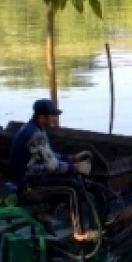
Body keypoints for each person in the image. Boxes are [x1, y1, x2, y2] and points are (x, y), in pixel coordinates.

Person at [8, 98, 97, 238]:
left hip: (28, 174)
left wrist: (70, 158)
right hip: (27, 181)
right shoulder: (36, 134)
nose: (55, 119)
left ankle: (46, 213)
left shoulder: (32, 128)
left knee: (67, 176)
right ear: (42, 117)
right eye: (52, 116)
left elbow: (49, 156)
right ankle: (79, 232)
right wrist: (75, 168)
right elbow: (53, 166)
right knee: (73, 187)